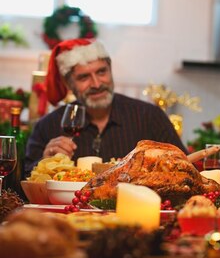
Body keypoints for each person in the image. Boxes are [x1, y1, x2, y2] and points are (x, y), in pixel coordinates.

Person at [24, 38, 186, 176]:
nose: (96, 84)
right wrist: (44, 163)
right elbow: (25, 180)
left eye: (101, 72)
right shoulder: (48, 125)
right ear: (69, 84)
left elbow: (185, 165)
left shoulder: (148, 116)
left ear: (110, 70)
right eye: (84, 77)